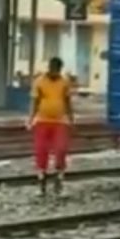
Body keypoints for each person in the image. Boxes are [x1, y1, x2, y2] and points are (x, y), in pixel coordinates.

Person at [27, 57, 74, 196]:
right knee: (41, 150)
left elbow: (67, 101)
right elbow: (34, 101)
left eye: (57, 70)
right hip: (42, 120)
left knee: (61, 149)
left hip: (60, 121)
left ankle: (59, 178)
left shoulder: (64, 82)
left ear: (60, 69)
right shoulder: (39, 82)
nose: (55, 72)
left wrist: (71, 118)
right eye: (53, 69)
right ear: (49, 67)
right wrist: (30, 119)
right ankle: (41, 181)